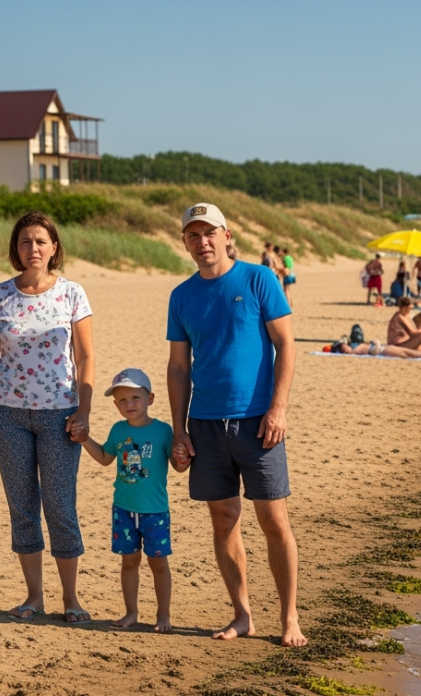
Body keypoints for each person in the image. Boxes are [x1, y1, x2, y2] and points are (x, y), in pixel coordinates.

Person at [166, 202, 306, 647]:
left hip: (258, 422)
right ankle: (242, 614)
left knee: (273, 519)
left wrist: (278, 408)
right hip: (204, 423)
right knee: (223, 519)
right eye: (193, 235)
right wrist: (179, 429)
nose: (202, 242)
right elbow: (177, 368)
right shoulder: (182, 295)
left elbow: (286, 345)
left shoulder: (259, 279)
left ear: (227, 236)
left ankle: (289, 618)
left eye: (210, 233)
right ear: (185, 242)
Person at [0, 211, 96, 624]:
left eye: (41, 241)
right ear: (16, 249)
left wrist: (84, 409)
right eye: (25, 242)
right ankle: (33, 597)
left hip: (60, 415)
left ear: (54, 247)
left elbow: (86, 356)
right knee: (22, 507)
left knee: (60, 505)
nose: (33, 249)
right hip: (6, 415)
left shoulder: (73, 294)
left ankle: (72, 599)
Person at [76, 368, 185, 633]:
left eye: (135, 397)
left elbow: (179, 467)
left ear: (150, 399)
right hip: (123, 511)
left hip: (155, 511)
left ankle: (163, 615)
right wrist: (83, 439)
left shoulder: (163, 431)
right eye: (122, 400)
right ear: (115, 405)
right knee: (129, 563)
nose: (129, 404)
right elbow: (104, 458)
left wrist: (184, 456)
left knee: (158, 563)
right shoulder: (118, 430)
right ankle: (131, 612)